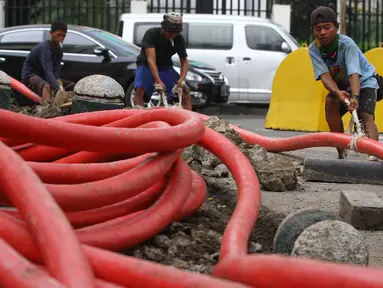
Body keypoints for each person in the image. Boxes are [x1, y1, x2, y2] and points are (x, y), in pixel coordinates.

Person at [308, 6, 380, 161]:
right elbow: (325, 77)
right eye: (318, 29)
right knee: (330, 103)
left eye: (327, 27)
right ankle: (342, 154)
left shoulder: (347, 44)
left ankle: (375, 155)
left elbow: (355, 73)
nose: (323, 33)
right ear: (313, 30)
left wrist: (355, 97)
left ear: (336, 27)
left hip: (364, 81)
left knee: (364, 114)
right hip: (342, 86)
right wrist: (337, 92)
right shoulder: (314, 49)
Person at [133, 12, 192, 110]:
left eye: (175, 33)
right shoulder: (151, 34)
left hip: (165, 67)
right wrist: (158, 80)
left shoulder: (178, 39)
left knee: (185, 90)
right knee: (140, 89)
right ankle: (138, 115)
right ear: (164, 28)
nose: (172, 35)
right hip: (146, 66)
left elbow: (184, 60)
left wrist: (181, 79)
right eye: (170, 32)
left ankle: (189, 119)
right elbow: (151, 59)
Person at [21, 20, 75, 103]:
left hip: (45, 76)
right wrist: (57, 89)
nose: (61, 38)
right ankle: (47, 110)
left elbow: (56, 72)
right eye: (58, 35)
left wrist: (59, 83)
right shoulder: (44, 48)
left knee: (72, 86)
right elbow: (48, 71)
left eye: (63, 36)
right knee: (47, 86)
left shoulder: (59, 50)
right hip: (30, 75)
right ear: (51, 33)